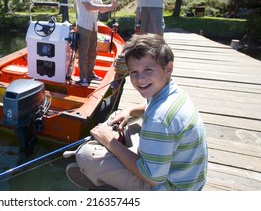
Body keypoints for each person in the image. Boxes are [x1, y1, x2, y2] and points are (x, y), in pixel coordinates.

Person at [66, 34, 208, 191]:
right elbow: (150, 107)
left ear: (168, 69)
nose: (140, 79)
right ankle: (110, 170)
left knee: (85, 155)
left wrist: (109, 141)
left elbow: (152, 177)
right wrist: (129, 110)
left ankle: (105, 180)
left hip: (168, 188)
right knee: (126, 125)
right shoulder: (173, 93)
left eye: (148, 69)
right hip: (189, 180)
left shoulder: (159, 119)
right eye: (134, 72)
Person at [75, 0, 118, 87]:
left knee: (93, 52)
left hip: (94, 26)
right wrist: (107, 5)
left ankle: (90, 74)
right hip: (83, 25)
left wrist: (111, 7)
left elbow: (101, 9)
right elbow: (88, 6)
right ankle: (83, 77)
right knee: (83, 53)